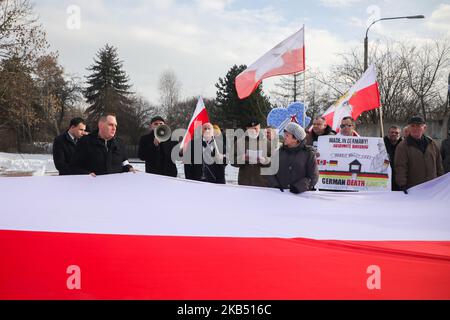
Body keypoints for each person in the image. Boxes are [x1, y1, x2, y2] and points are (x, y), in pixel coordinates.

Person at [70, 113, 135, 176]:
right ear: (100, 125)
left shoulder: (119, 143)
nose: (114, 128)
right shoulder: (85, 142)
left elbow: (124, 162)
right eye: (111, 125)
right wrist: (86, 174)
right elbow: (74, 167)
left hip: (115, 185)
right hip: (93, 184)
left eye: (115, 125)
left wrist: (129, 168)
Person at [395, 116, 444, 190]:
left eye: (418, 126)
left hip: (433, 186)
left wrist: (441, 180)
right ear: (409, 128)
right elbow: (400, 167)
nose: (415, 128)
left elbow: (439, 163)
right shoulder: (403, 146)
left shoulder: (431, 143)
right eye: (412, 126)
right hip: (414, 188)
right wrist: (402, 184)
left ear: (424, 128)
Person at [269, 122, 318, 194]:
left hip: (300, 196)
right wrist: (276, 186)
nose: (284, 137)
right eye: (284, 134)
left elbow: (313, 177)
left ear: (296, 139)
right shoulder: (278, 152)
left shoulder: (309, 154)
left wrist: (299, 187)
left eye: (287, 135)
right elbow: (271, 172)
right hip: (279, 195)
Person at [232, 120, 273, 187]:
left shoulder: (268, 143)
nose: (253, 131)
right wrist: (241, 159)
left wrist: (265, 160)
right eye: (251, 129)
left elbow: (274, 161)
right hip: (244, 182)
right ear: (247, 129)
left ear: (259, 128)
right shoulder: (239, 143)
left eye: (255, 128)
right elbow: (232, 161)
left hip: (262, 183)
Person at [383, 125, 403, 190]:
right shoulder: (382, 144)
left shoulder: (404, 145)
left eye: (396, 133)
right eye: (392, 132)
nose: (394, 134)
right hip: (385, 176)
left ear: (400, 135)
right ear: (388, 133)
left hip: (400, 177)